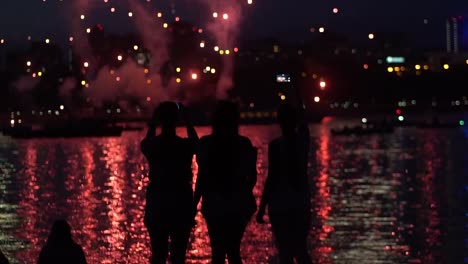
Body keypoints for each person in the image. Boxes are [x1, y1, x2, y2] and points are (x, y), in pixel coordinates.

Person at [193, 100, 257, 264]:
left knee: (218, 251)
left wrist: (194, 203)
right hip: (238, 203)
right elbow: (252, 176)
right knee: (234, 250)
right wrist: (242, 192)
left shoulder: (206, 143)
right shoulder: (243, 144)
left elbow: (202, 177)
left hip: (214, 203)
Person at [141, 101, 198, 264]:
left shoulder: (153, 145)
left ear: (159, 119)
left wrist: (153, 122)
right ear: (177, 119)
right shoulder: (183, 146)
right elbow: (196, 143)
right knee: (178, 256)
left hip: (158, 201)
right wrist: (187, 120)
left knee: (158, 254)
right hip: (181, 201)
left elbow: (147, 143)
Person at [256, 102, 312, 264]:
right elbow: (304, 123)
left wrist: (262, 208)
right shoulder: (304, 141)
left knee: (284, 252)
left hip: (280, 203)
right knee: (301, 249)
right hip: (300, 202)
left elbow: (271, 177)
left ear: (280, 121)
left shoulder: (275, 146)